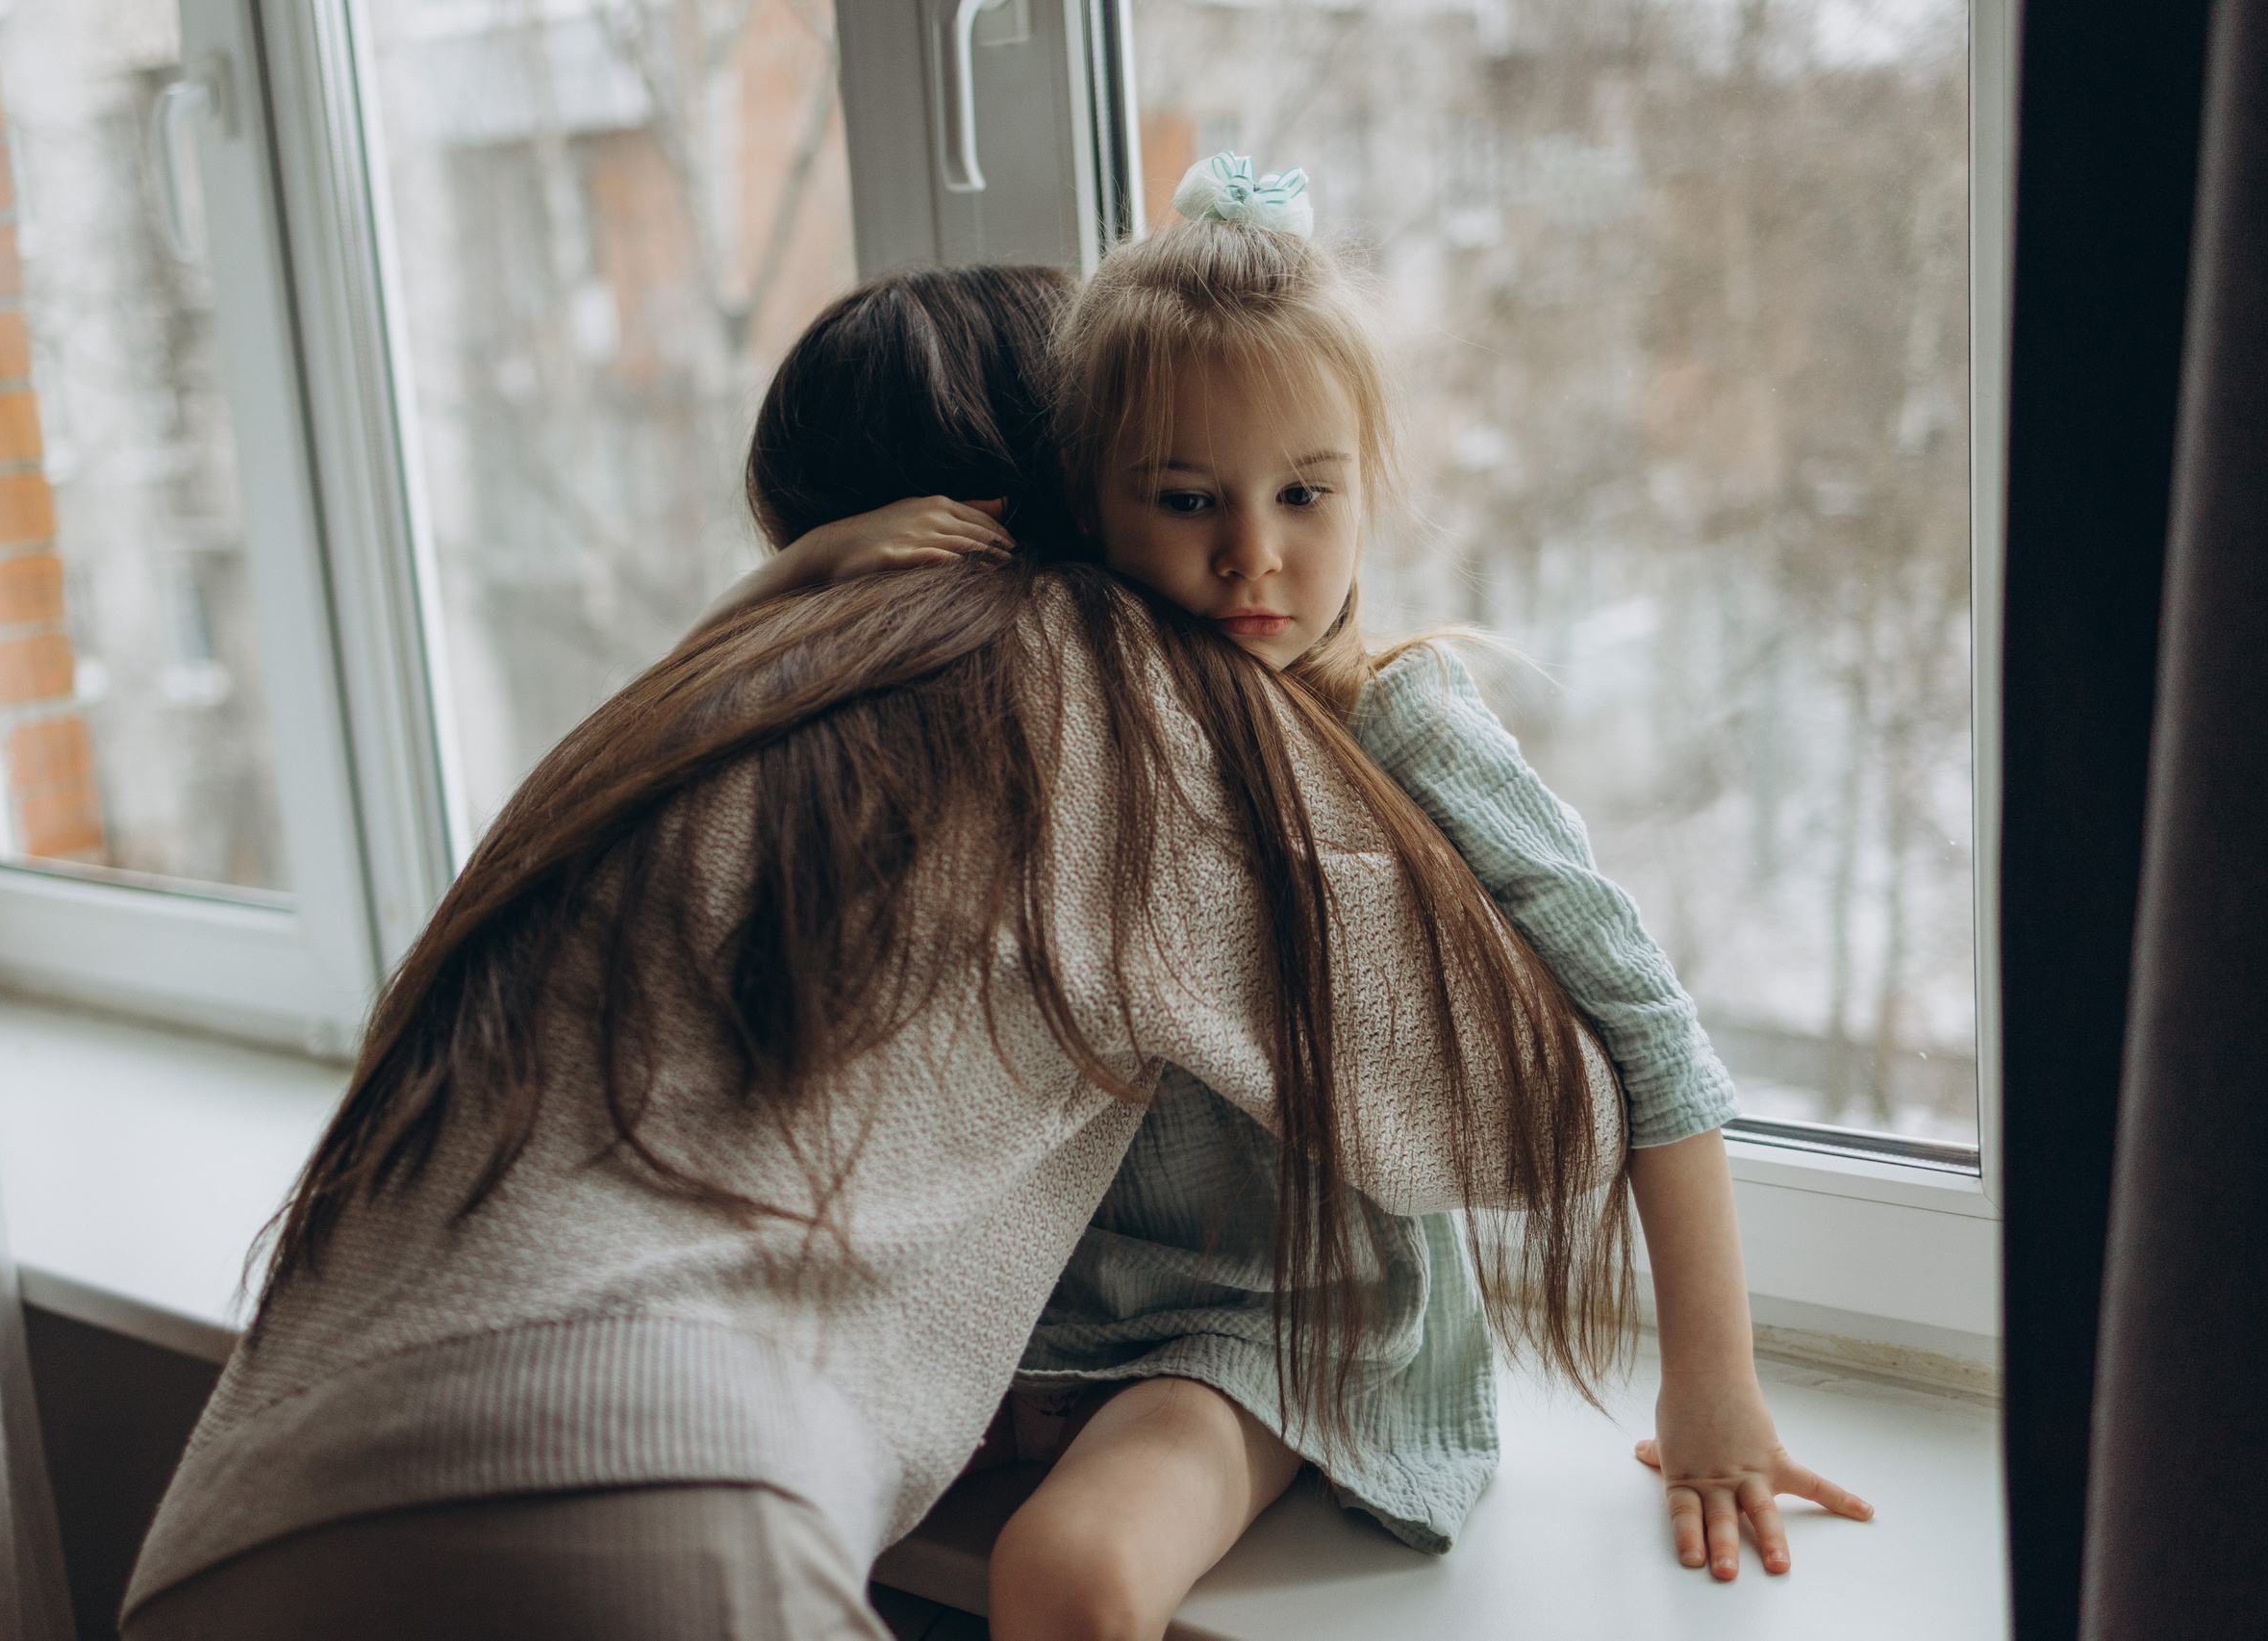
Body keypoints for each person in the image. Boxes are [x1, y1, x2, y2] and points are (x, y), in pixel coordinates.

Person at [115, 262, 1630, 1641]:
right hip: (647, 1497)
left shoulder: (659, 717)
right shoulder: (1098, 684)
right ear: (1073, 491)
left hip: (226, 1529)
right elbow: (1526, 1114)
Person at [724, 160, 1874, 1641]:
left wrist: (1712, 1380)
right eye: (1190, 498)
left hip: (1275, 1320)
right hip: (1036, 1299)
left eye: (1305, 495)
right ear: (1088, 508)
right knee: (711, 1474)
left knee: (1065, 1576)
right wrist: (797, 581)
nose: (1254, 554)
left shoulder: (1402, 724)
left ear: (1366, 488)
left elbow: (1647, 1021)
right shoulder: (1054, 702)